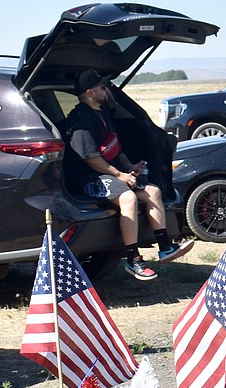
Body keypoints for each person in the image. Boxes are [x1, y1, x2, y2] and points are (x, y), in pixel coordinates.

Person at [62, 69, 193, 281]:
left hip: (110, 174)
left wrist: (130, 167)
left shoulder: (102, 115)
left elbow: (115, 147)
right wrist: (120, 176)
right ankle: (133, 260)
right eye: (102, 87)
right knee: (128, 197)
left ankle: (165, 247)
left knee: (153, 191)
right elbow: (91, 159)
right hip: (88, 178)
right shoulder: (80, 121)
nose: (106, 90)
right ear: (89, 92)